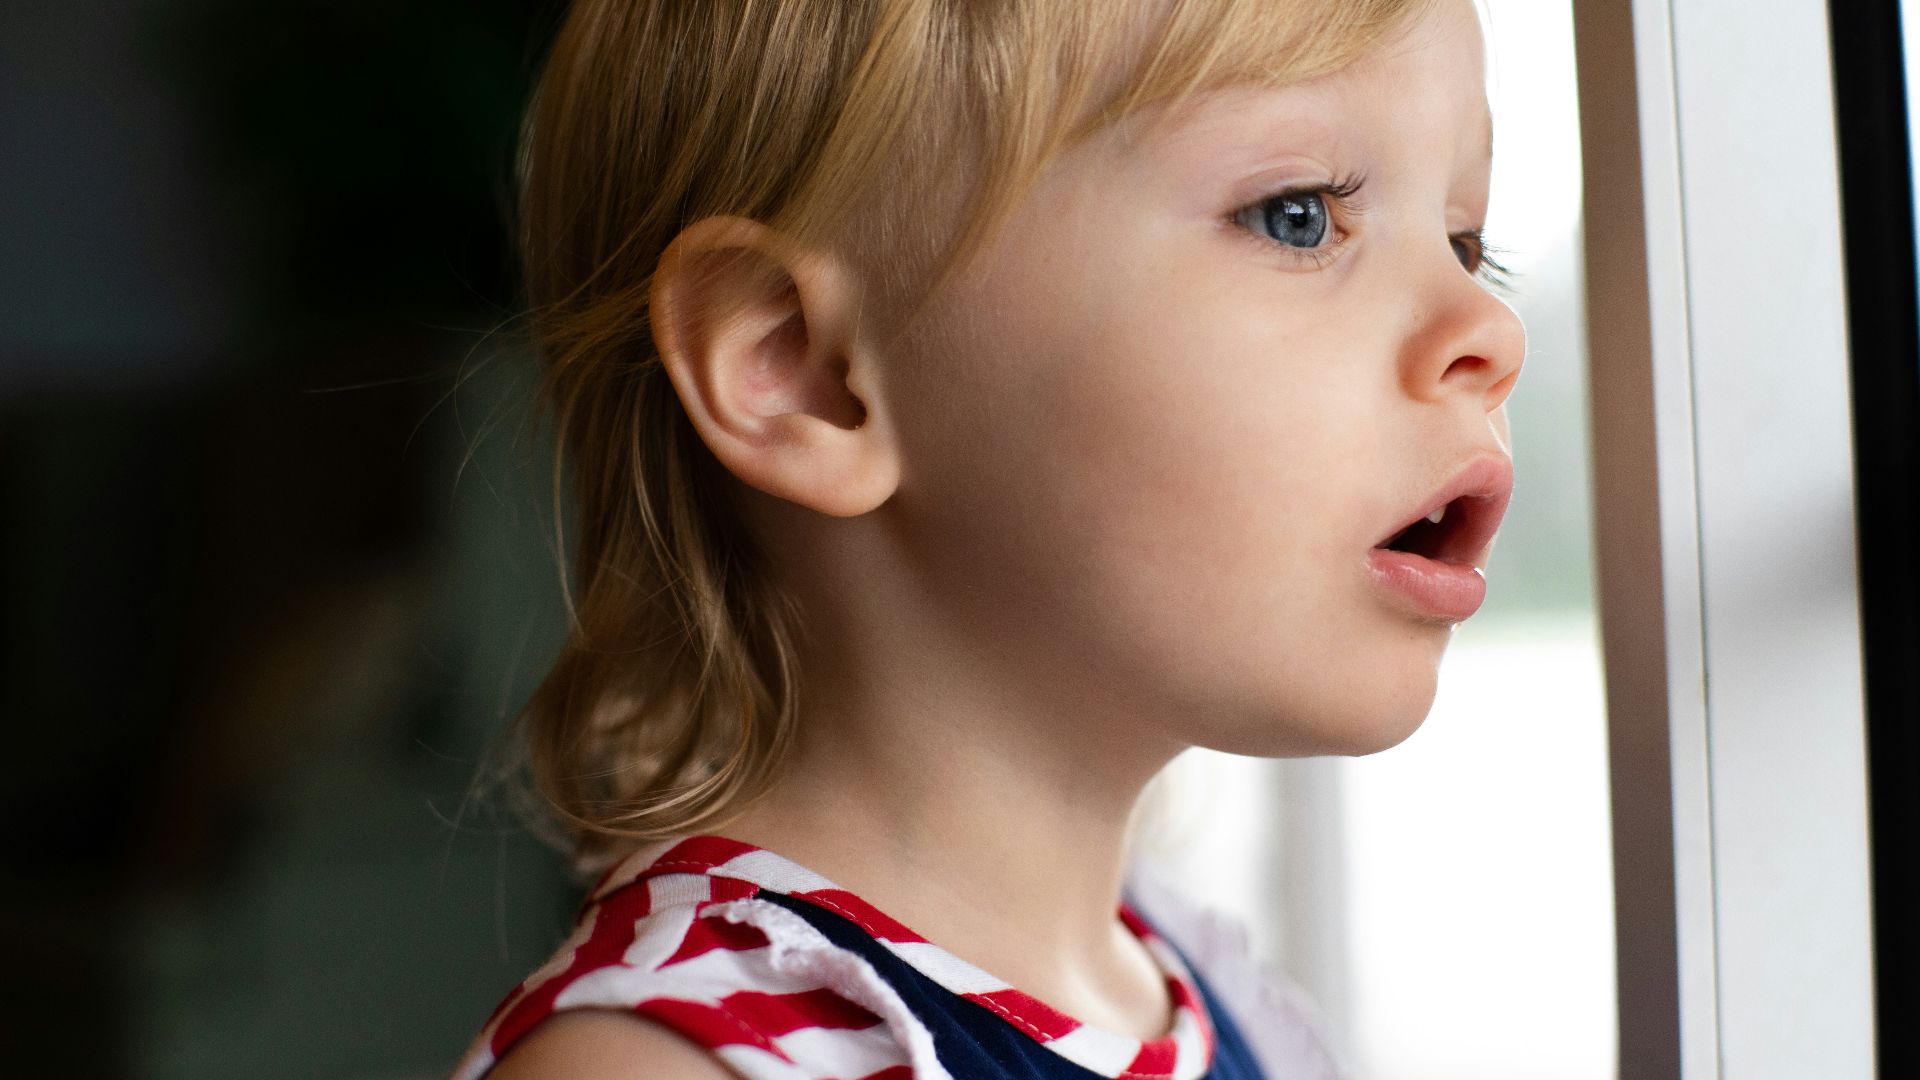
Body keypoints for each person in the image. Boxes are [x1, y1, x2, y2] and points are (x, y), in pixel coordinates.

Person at [453, 0, 1523, 1075]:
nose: (1491, 331)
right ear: (804, 370)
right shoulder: (669, 1066)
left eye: (1467, 242)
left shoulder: (1217, 1003)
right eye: (1296, 214)